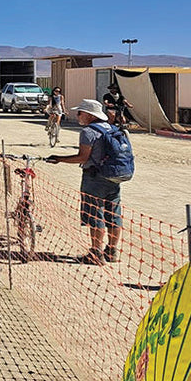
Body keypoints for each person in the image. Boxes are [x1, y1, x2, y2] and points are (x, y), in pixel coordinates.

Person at [46, 99, 123, 264]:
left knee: (95, 215)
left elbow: (83, 157)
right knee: (113, 214)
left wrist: (59, 159)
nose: (78, 115)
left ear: (89, 114)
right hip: (113, 177)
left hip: (94, 178)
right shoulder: (112, 128)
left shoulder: (88, 131)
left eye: (80, 112)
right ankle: (111, 251)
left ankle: (96, 253)